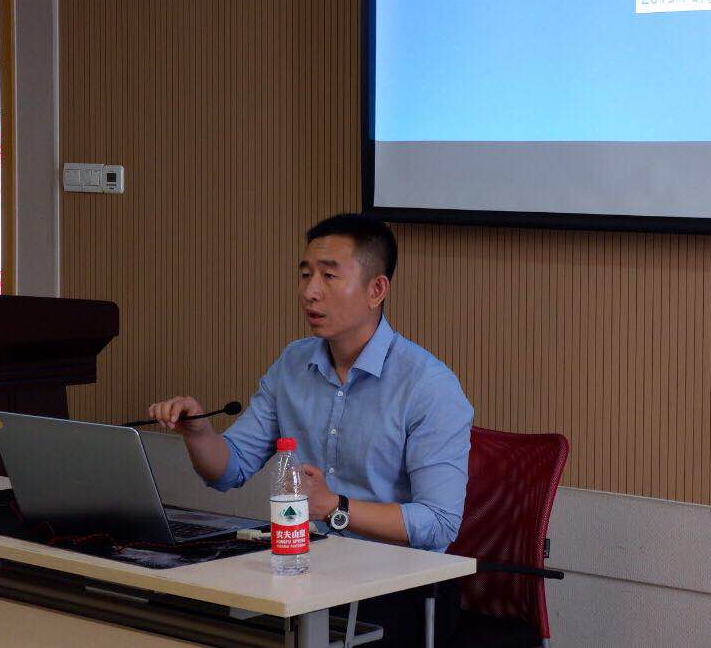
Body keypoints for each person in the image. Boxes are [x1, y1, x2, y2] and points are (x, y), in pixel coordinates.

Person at [147, 213, 473, 646]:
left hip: (399, 586)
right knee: (179, 613)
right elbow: (228, 470)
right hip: (308, 569)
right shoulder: (294, 363)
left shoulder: (428, 386)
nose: (309, 292)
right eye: (305, 274)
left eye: (329, 276)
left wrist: (335, 506)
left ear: (376, 290)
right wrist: (200, 433)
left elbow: (439, 523)